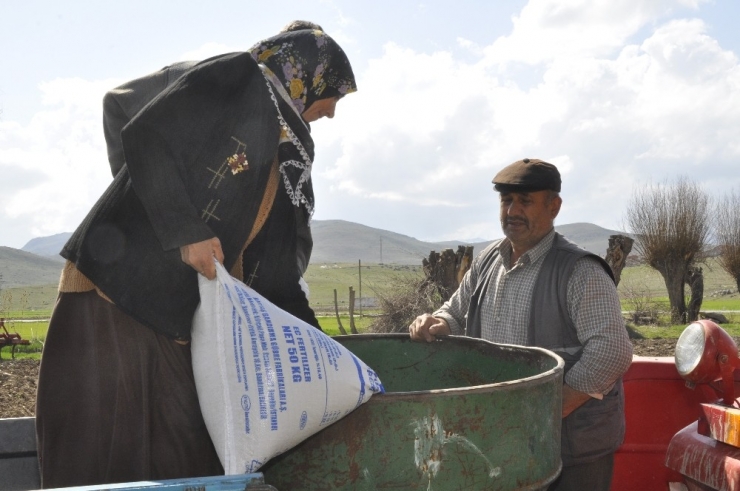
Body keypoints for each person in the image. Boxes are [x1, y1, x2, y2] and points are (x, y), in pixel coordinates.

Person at [35, 26, 356, 488]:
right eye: (334, 97)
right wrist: (183, 229)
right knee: (104, 452)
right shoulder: (237, 76)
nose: (330, 112)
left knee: (185, 460)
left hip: (179, 319)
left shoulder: (292, 155)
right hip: (115, 297)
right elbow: (144, 134)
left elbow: (280, 275)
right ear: (308, 74)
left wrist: (326, 356)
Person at [408, 158, 633, 491]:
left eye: (525, 201)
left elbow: (612, 351)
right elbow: (456, 313)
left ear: (554, 206)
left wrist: (552, 408)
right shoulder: (488, 260)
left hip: (570, 449)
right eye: (506, 200)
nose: (512, 210)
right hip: (504, 442)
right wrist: (437, 322)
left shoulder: (580, 271)